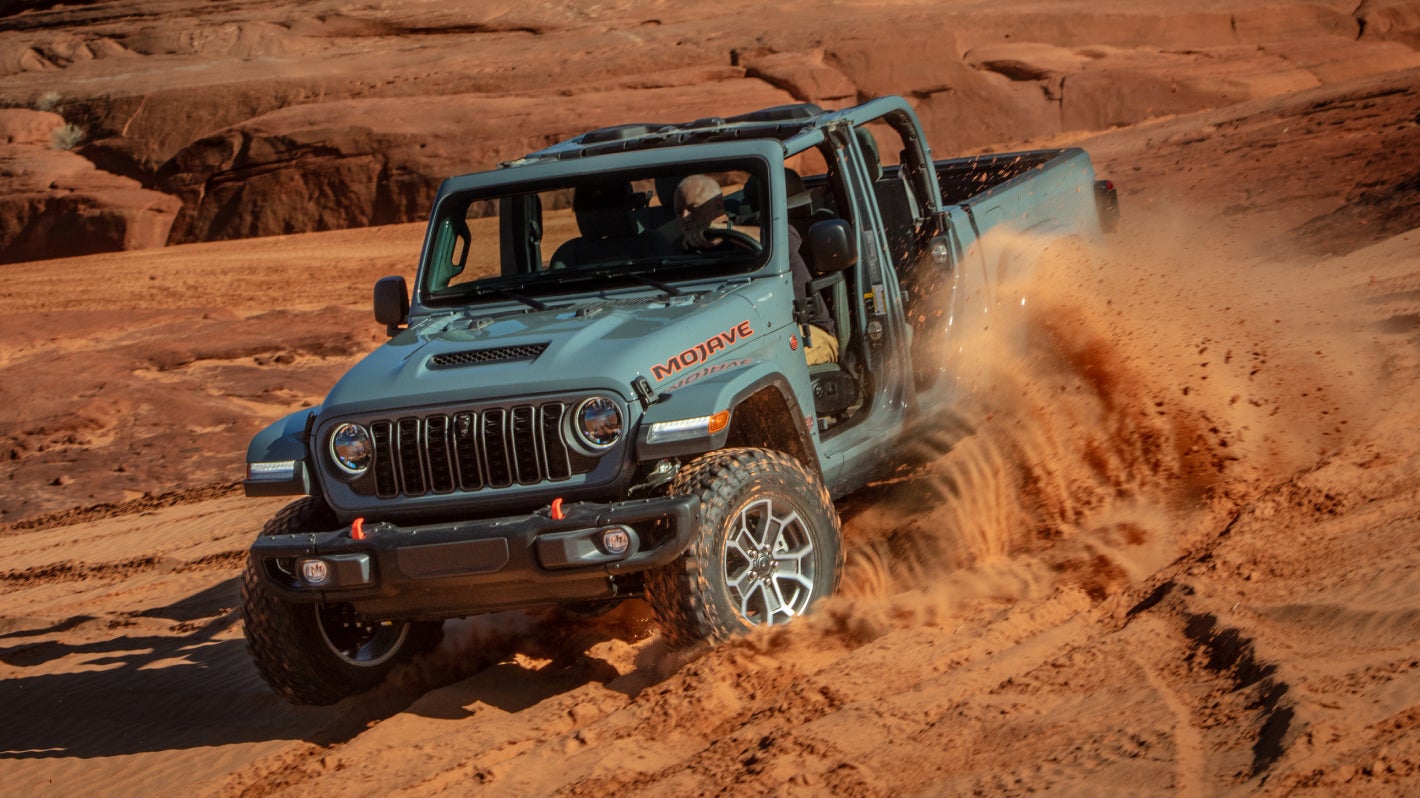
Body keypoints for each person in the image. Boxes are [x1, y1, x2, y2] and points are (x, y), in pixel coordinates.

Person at [673, 174, 839, 365]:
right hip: (729, 342)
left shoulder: (758, 223)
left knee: (761, 365)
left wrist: (725, 230)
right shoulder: (681, 251)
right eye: (679, 212)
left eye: (693, 209)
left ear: (719, 206)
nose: (685, 218)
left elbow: (786, 240)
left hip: (803, 331)